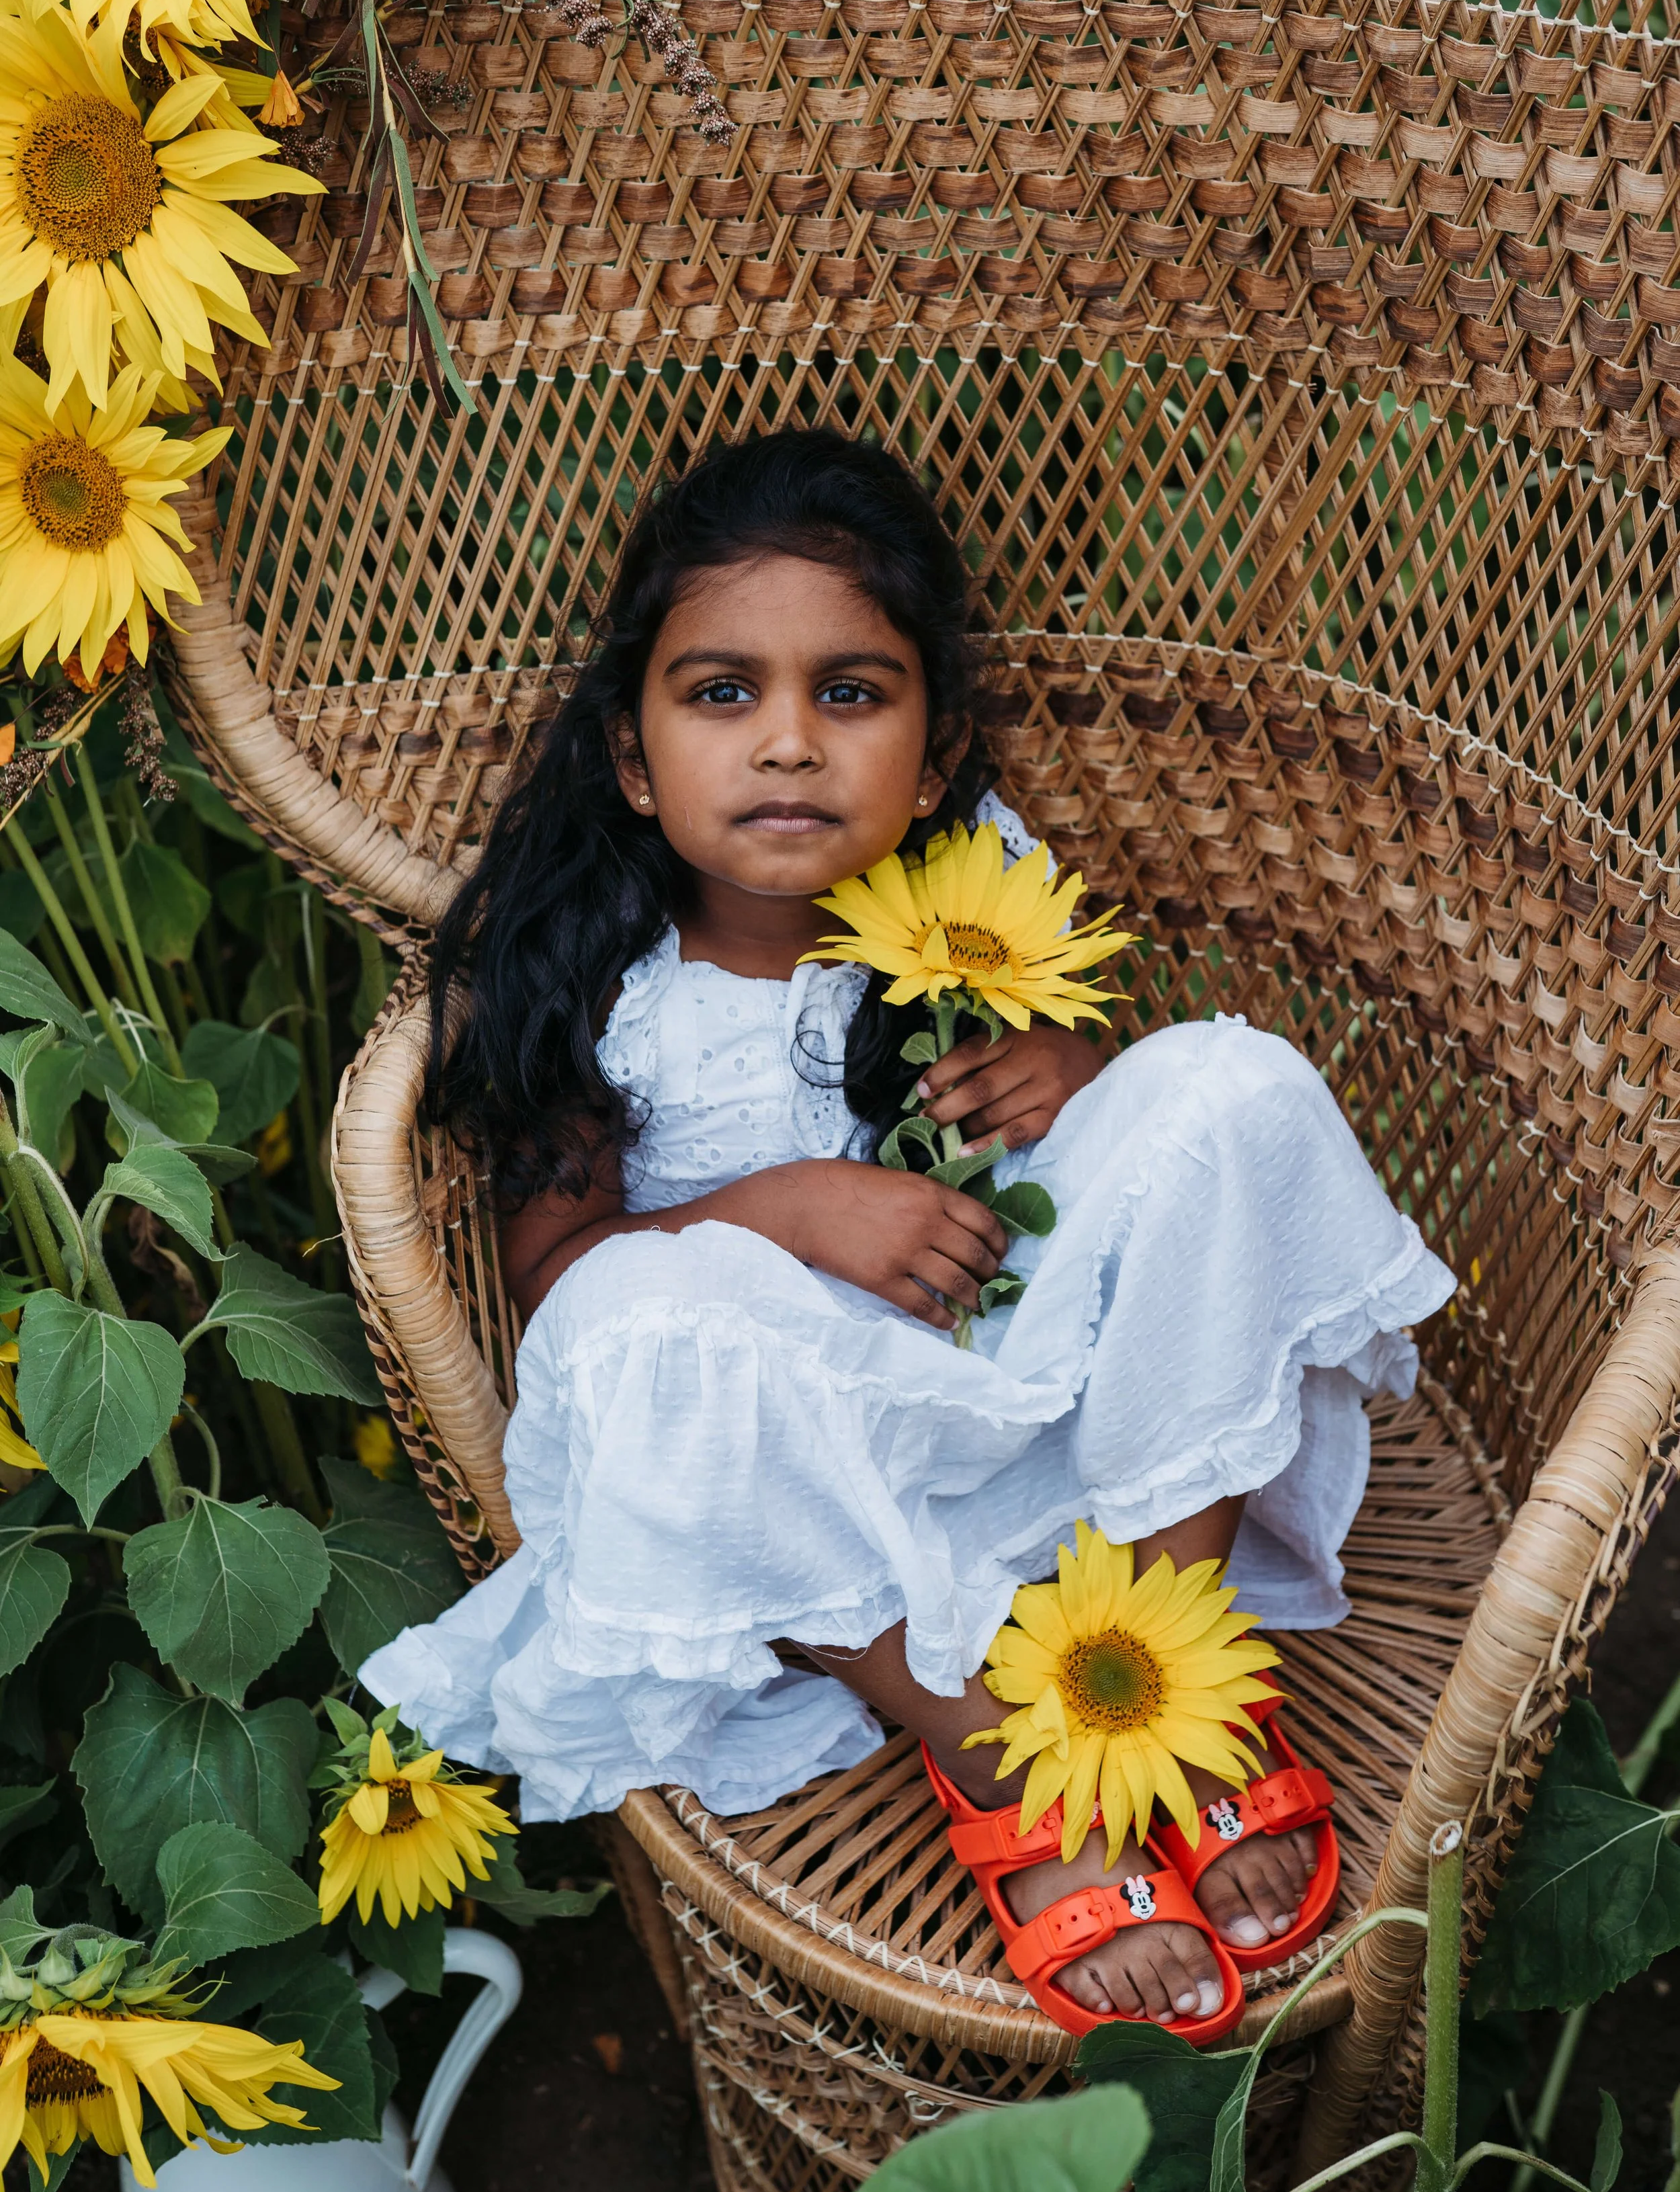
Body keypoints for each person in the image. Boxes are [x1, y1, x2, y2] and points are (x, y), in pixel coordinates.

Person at [362, 427, 1455, 2039]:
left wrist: (1071, 1075)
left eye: (850, 694)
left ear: (935, 761)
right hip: (816, 1515)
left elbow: (1122, 1180)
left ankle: (1164, 1677)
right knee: (638, 1324)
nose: (787, 745)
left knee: (1224, 1085)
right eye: (722, 694)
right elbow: (555, 1293)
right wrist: (788, 1209)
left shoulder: (976, 898)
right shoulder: (599, 987)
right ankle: (1003, 1746)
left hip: (1049, 1437)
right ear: (630, 754)